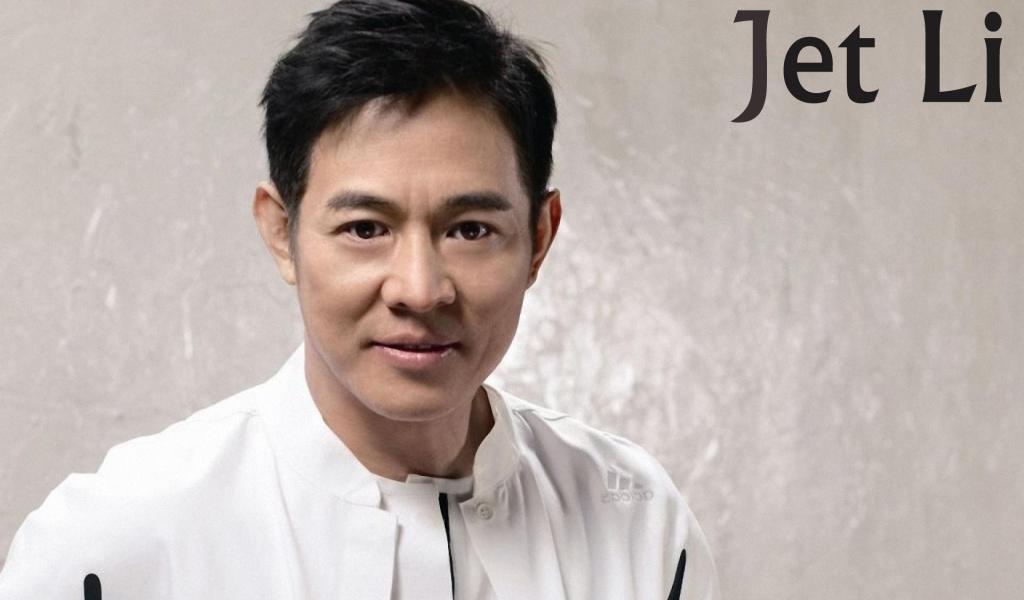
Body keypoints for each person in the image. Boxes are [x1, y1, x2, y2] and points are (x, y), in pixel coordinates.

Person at [0, 1, 719, 598]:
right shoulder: (115, 542)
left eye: (470, 229)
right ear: (282, 232)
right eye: (365, 229)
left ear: (539, 237)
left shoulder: (637, 525)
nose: (419, 290)